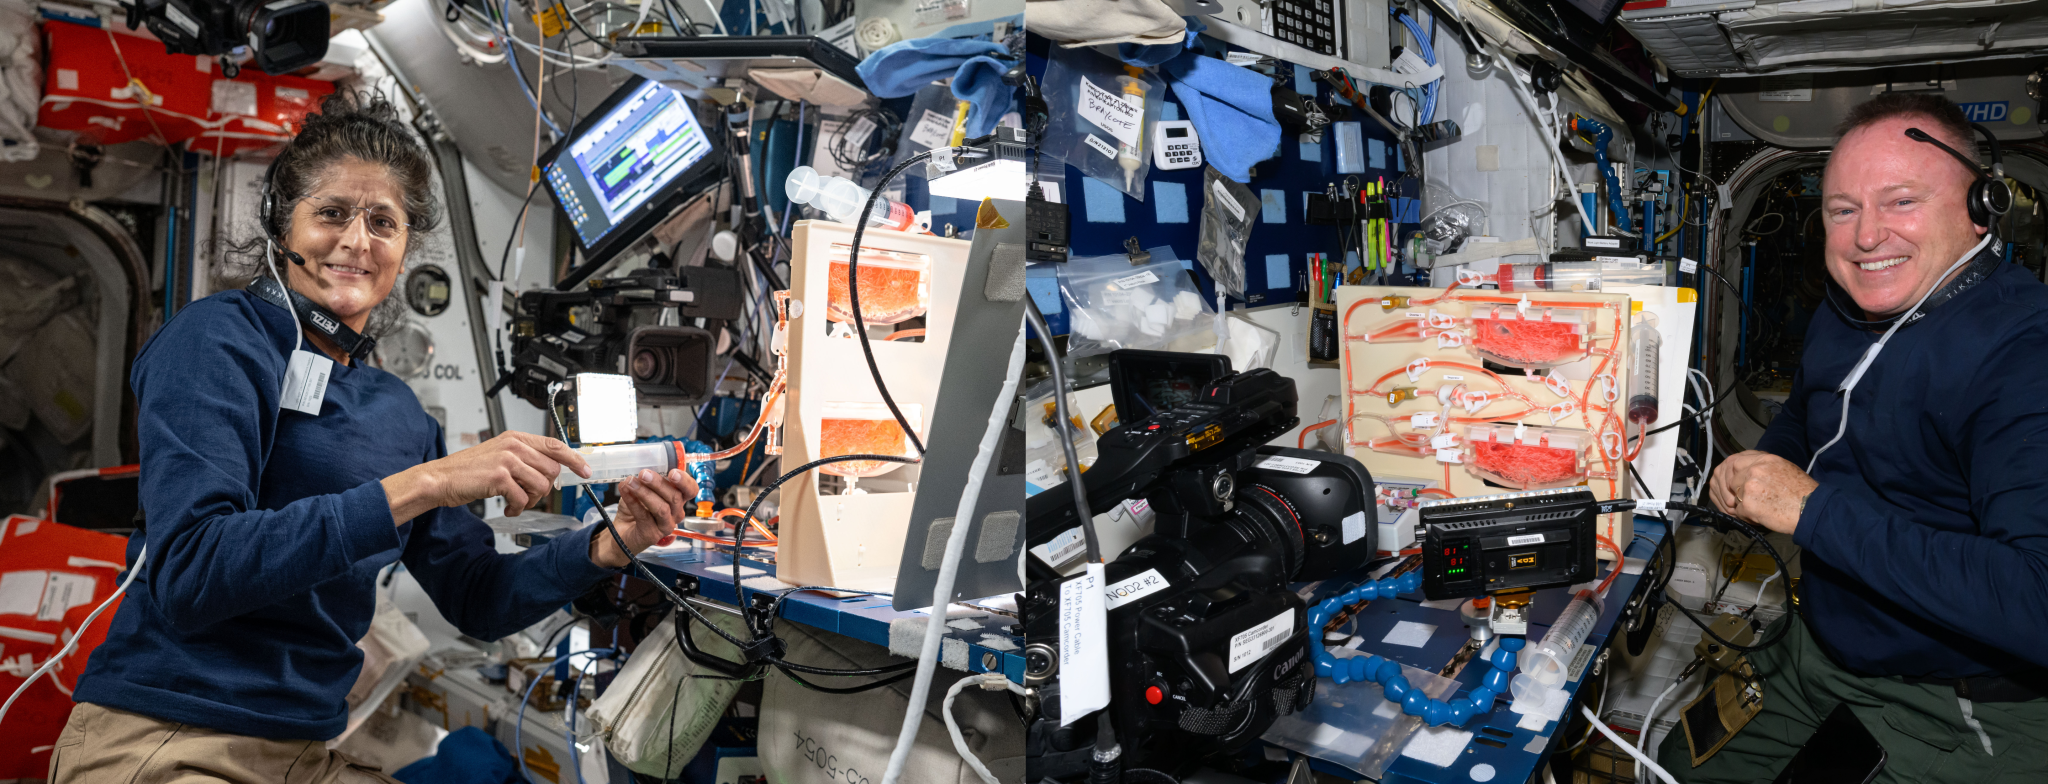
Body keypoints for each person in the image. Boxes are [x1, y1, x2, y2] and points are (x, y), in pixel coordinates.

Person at [49, 93, 699, 783]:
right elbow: (192, 571)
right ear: (281, 224)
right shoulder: (216, 341)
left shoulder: (396, 412)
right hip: (169, 736)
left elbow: (478, 595)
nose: (357, 241)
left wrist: (610, 542)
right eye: (332, 213)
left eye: (382, 222)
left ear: (404, 248)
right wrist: (426, 483)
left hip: (301, 754)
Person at [1661, 94, 2048, 780]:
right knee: (1678, 765)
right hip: (1820, 644)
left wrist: (1812, 510)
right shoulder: (1848, 307)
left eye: (1901, 201)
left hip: (1960, 697)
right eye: (1843, 210)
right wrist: (1761, 464)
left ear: (1980, 207)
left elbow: (2034, 602)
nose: (1867, 237)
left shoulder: (2024, 353)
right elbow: (1809, 419)